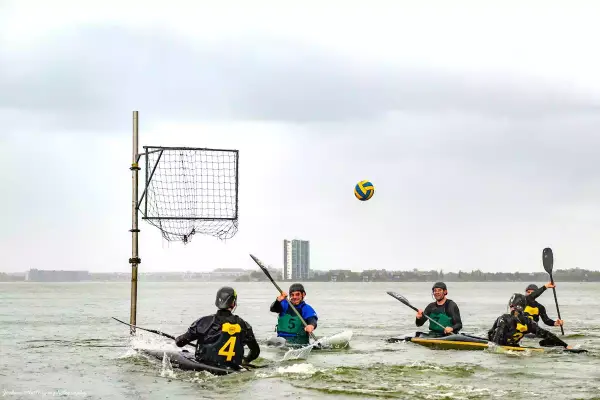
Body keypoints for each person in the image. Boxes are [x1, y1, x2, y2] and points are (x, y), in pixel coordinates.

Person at [175, 286, 260, 370]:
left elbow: (180, 343)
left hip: (206, 368)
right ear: (233, 303)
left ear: (217, 301)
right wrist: (245, 361)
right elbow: (255, 352)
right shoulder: (244, 325)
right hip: (232, 369)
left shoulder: (203, 322)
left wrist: (177, 339)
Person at [487, 293, 572, 349]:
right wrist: (566, 345)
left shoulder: (504, 318)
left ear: (511, 306)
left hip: (502, 346)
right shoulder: (528, 322)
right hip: (510, 346)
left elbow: (495, 342)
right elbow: (547, 334)